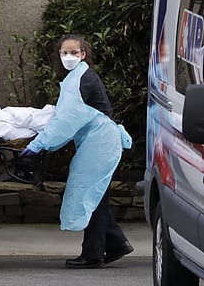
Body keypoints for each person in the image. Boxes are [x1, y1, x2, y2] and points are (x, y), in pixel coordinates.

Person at [22, 34, 133, 268]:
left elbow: (65, 120)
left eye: (74, 52)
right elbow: (68, 116)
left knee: (90, 194)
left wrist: (37, 145)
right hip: (100, 141)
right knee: (95, 195)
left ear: (83, 54)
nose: (68, 57)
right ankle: (115, 244)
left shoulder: (81, 79)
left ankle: (93, 254)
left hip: (100, 142)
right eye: (64, 53)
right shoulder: (79, 77)